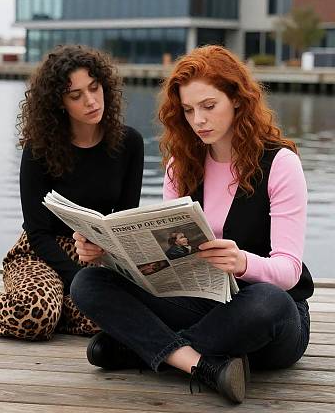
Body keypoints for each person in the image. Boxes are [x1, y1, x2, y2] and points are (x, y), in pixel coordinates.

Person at [71, 45, 313, 403]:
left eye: (209, 106)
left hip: (265, 316)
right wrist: (107, 254)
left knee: (269, 302)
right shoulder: (180, 166)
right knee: (87, 281)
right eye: (188, 110)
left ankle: (145, 349)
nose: (198, 119)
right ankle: (199, 364)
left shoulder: (280, 164)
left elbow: (289, 271)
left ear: (237, 100)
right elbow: (171, 262)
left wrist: (243, 262)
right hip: (201, 301)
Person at [0, 44, 144, 341]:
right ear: (60, 103)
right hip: (40, 254)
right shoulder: (39, 150)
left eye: (94, 88)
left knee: (103, 320)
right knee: (36, 313)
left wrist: (103, 262)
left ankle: (30, 304)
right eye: (76, 95)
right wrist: (77, 279)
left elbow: (124, 221)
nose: (90, 101)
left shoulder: (130, 143)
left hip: (93, 254)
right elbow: (37, 232)